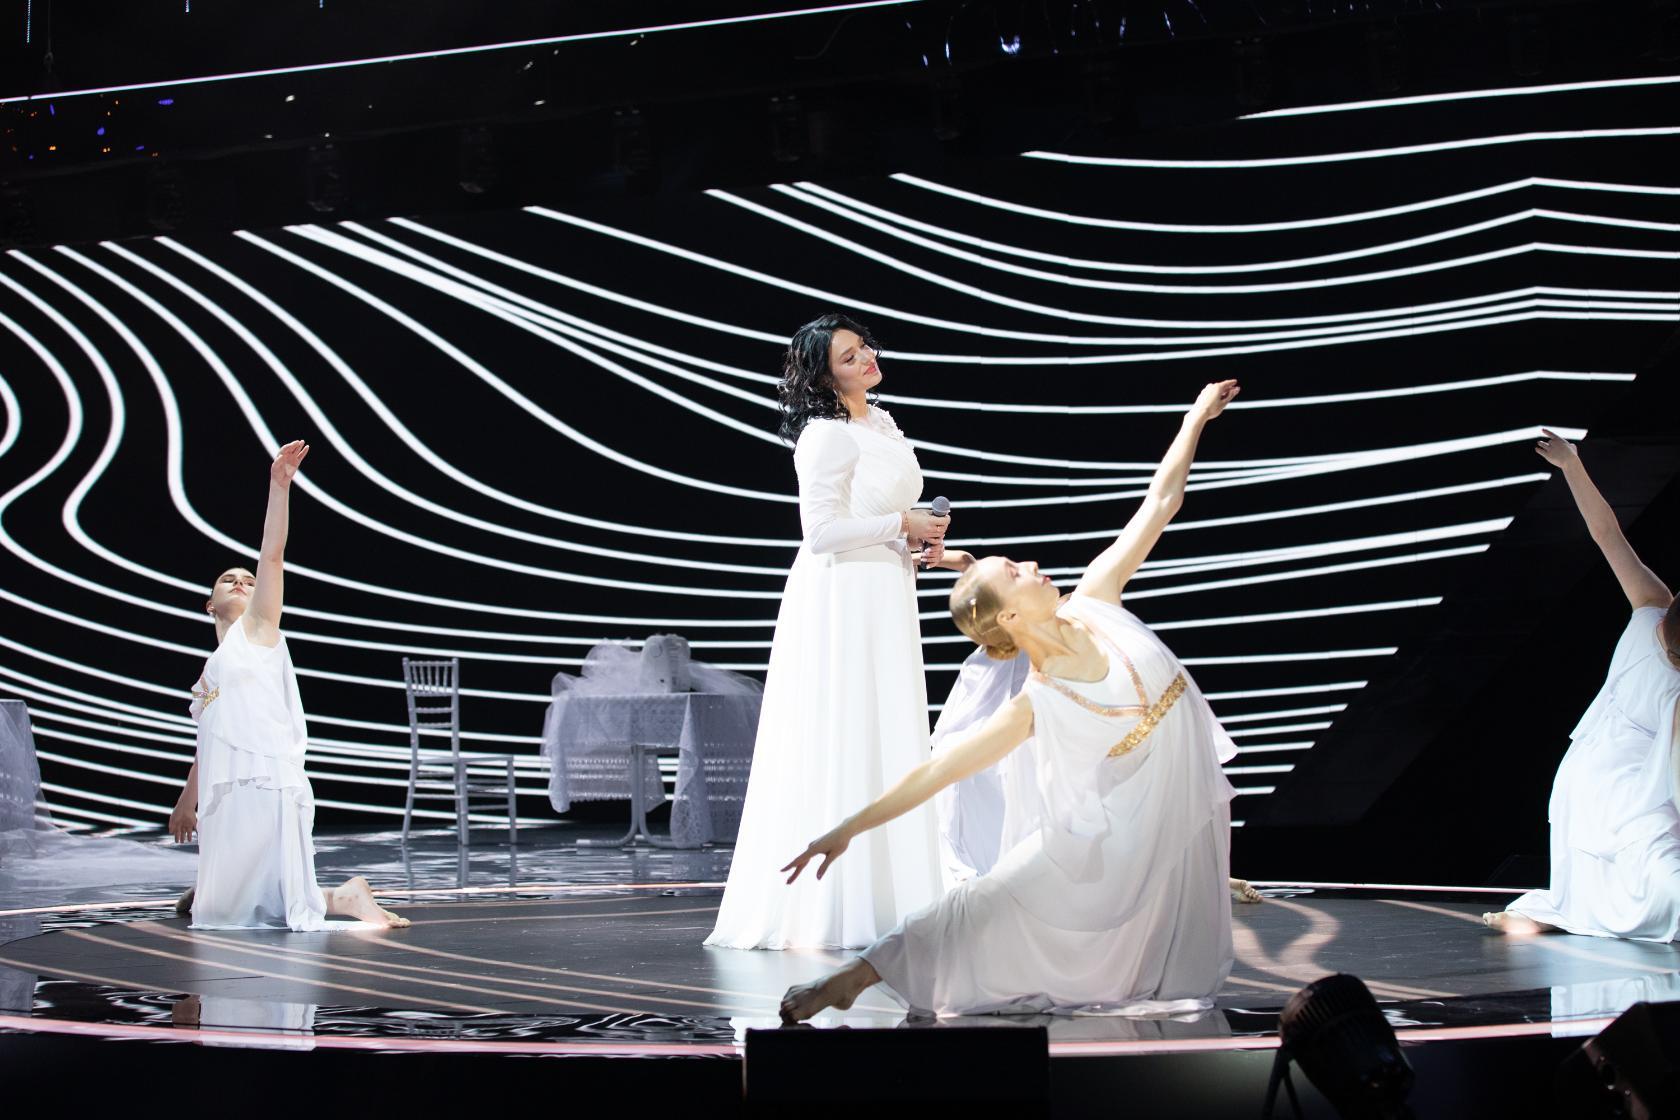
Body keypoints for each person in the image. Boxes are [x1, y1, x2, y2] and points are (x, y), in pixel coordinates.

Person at [779, 380, 1243, 1020]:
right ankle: (854, 976)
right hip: (1114, 832)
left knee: (1149, 940)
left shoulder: (1096, 598)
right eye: (1015, 574)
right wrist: (845, 830)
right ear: (1008, 619)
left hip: (1173, 803)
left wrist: (1195, 418)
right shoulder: (1035, 703)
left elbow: (1161, 501)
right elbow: (937, 772)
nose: (1031, 567)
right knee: (990, 899)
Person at [706, 314, 957, 951]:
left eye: (863, 346)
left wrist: (918, 540)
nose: (866, 358)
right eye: (849, 357)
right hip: (843, 594)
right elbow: (819, 534)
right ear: (824, 377)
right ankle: (838, 903)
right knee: (849, 728)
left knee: (886, 729)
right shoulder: (823, 436)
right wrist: (901, 524)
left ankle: (892, 894)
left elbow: (875, 511)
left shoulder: (881, 421)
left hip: (885, 585)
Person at [168, 440, 407, 931]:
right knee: (234, 910)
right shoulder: (211, 669)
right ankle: (343, 896)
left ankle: (333, 897)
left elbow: (272, 556)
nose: (241, 582)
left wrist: (280, 488)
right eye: (228, 579)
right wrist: (186, 801)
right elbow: (209, 740)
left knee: (234, 915)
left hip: (264, 781)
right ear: (209, 604)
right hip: (225, 794)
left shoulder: (258, 629)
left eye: (247, 580)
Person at [1486, 430, 1680, 940]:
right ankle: (1567, 912)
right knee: (1661, 882)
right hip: (1623, 785)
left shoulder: (1651, 604)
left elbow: (1608, 535)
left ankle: (1559, 911)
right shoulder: (1656, 615)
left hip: (1584, 774)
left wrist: (1572, 466)